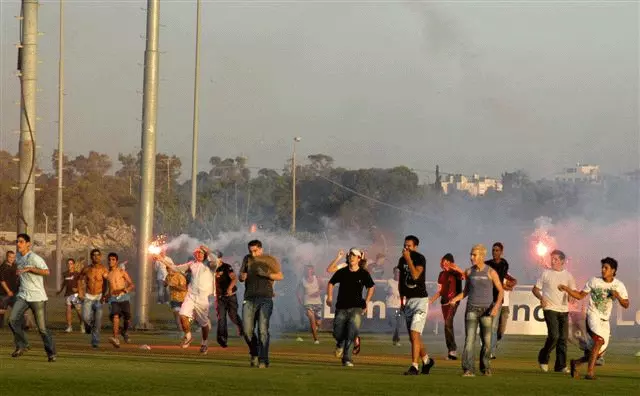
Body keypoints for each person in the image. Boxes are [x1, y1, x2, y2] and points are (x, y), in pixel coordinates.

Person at [558, 257, 630, 380]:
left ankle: (576, 363)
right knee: (599, 341)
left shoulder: (619, 285)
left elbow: (626, 304)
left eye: (606, 268)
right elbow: (580, 295)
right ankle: (590, 373)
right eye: (602, 267)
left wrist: (617, 296)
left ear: (613, 270)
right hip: (593, 316)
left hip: (605, 321)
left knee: (599, 352)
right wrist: (567, 289)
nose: (603, 270)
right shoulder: (594, 281)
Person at [448, 244, 503, 377]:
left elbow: (501, 291)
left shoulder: (491, 272)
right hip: (471, 309)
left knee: (487, 342)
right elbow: (466, 291)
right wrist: (455, 299)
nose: (471, 257)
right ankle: (468, 369)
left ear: (482, 256)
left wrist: (495, 307)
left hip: (487, 311)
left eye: (474, 255)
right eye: (471, 254)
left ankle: (485, 368)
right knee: (469, 341)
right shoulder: (469, 272)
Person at [156, 245, 215, 354]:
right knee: (182, 315)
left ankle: (204, 343)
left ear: (205, 255)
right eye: (197, 253)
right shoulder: (191, 264)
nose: (198, 255)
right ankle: (188, 336)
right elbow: (175, 268)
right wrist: (161, 260)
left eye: (201, 253)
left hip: (202, 298)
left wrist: (208, 250)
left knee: (204, 324)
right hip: (191, 295)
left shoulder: (209, 265)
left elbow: (215, 262)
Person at [8, 233, 57, 362]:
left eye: (21, 242)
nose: (18, 244)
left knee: (42, 328)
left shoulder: (35, 258)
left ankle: (51, 353)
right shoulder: (18, 257)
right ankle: (23, 344)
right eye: (17, 241)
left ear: (28, 244)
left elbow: (47, 272)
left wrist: (30, 269)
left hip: (37, 297)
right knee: (12, 320)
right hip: (23, 295)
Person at [326, 247, 374, 367]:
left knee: (352, 331)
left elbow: (371, 287)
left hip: (357, 307)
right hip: (341, 306)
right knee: (337, 332)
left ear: (359, 258)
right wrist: (329, 297)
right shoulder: (342, 270)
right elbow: (331, 281)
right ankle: (340, 343)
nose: (351, 257)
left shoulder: (363, 273)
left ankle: (347, 357)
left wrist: (367, 302)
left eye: (354, 255)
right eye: (350, 255)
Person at [239, 240, 284, 368]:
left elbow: (280, 276)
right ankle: (254, 352)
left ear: (261, 249)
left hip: (265, 297)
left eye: (255, 251)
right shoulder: (247, 259)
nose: (253, 254)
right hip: (249, 297)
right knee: (247, 330)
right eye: (250, 251)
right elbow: (241, 275)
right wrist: (241, 276)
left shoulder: (270, 259)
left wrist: (266, 274)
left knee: (262, 330)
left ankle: (264, 359)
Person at [531, 249, 575, 373]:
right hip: (550, 308)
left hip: (564, 310)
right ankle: (543, 358)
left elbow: (573, 292)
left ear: (562, 261)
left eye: (555, 259)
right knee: (554, 336)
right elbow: (535, 289)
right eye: (552, 259)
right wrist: (541, 298)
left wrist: (571, 297)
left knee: (563, 339)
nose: (552, 261)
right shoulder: (546, 273)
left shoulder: (568, 276)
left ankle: (560, 366)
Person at [397, 235, 434, 375]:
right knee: (414, 336)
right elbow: (401, 281)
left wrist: (408, 259)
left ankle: (414, 366)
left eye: (409, 246)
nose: (406, 248)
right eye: (405, 245)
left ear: (415, 247)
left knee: (414, 333)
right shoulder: (401, 260)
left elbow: (416, 275)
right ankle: (426, 360)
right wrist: (401, 301)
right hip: (409, 301)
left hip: (420, 300)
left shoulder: (420, 258)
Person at [485, 242, 517, 359]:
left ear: (501, 252)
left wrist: (508, 285)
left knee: (494, 328)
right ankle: (488, 349)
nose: (494, 252)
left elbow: (502, 278)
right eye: (493, 250)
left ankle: (491, 350)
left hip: (498, 299)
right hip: (486, 298)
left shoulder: (504, 263)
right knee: (488, 327)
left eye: (497, 250)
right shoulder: (487, 264)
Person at [430, 253, 465, 360]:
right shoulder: (441, 274)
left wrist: (457, 268)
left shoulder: (455, 273)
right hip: (444, 302)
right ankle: (451, 350)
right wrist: (431, 300)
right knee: (447, 325)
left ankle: (452, 350)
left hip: (453, 301)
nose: (442, 264)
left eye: (445, 262)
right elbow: (440, 291)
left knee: (447, 324)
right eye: (442, 261)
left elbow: (464, 276)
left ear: (450, 263)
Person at [214, 250, 248, 348]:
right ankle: (222, 339)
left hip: (230, 296)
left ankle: (242, 329)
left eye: (216, 257)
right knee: (221, 318)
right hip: (220, 297)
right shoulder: (211, 268)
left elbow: (234, 278)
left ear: (220, 258)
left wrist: (229, 288)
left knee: (233, 316)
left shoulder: (226, 267)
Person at [78, 248, 109, 348]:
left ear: (100, 256)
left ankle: (95, 341)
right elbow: (79, 279)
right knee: (85, 317)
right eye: (94, 255)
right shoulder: (87, 269)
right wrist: (80, 292)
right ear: (91, 257)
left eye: (97, 255)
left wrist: (105, 295)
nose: (96, 257)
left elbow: (107, 283)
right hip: (88, 296)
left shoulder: (104, 269)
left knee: (98, 321)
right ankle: (88, 327)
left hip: (99, 297)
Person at [105, 253, 135, 348]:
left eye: (113, 259)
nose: (111, 261)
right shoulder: (106, 274)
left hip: (124, 297)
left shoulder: (121, 271)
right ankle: (115, 338)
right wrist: (106, 296)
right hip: (113, 298)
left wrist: (125, 290)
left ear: (116, 261)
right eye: (109, 259)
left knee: (127, 317)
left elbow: (131, 284)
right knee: (115, 316)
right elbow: (108, 288)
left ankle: (124, 332)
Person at [297, 265, 323, 344]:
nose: (308, 271)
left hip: (317, 302)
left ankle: (314, 328)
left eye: (309, 270)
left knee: (318, 322)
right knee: (312, 319)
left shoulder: (317, 278)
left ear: (312, 270)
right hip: (307, 302)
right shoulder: (302, 280)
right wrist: (300, 300)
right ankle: (316, 339)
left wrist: (318, 292)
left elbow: (322, 288)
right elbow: (297, 291)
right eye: (306, 270)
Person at [56, 258, 83, 333]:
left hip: (75, 295)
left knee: (78, 311)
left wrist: (78, 291)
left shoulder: (77, 274)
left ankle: (82, 324)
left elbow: (81, 285)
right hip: (68, 294)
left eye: (71, 263)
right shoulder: (65, 274)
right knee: (68, 310)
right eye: (68, 264)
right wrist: (60, 291)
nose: (69, 265)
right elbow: (64, 283)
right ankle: (69, 326)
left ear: (74, 265)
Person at [165, 264, 187, 336]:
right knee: (176, 315)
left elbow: (184, 289)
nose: (168, 270)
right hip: (174, 299)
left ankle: (186, 330)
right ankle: (181, 332)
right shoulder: (168, 276)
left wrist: (174, 286)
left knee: (184, 317)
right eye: (167, 269)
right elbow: (166, 284)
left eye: (169, 269)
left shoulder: (180, 276)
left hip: (182, 299)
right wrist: (165, 284)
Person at [0, 250, 18, 328]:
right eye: (10, 257)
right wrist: (8, 291)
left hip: (14, 293)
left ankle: (22, 325)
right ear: (7, 257)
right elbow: (2, 281)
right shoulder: (3, 267)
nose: (11, 259)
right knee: (2, 310)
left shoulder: (15, 266)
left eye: (13, 257)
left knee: (18, 308)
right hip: (4, 293)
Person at [386, 267, 403, 347]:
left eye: (399, 272)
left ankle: (395, 340)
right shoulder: (389, 281)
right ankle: (396, 340)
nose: (398, 274)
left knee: (399, 324)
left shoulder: (403, 283)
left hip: (399, 306)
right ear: (394, 273)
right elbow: (385, 291)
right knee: (394, 323)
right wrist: (389, 292)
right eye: (396, 272)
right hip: (391, 306)